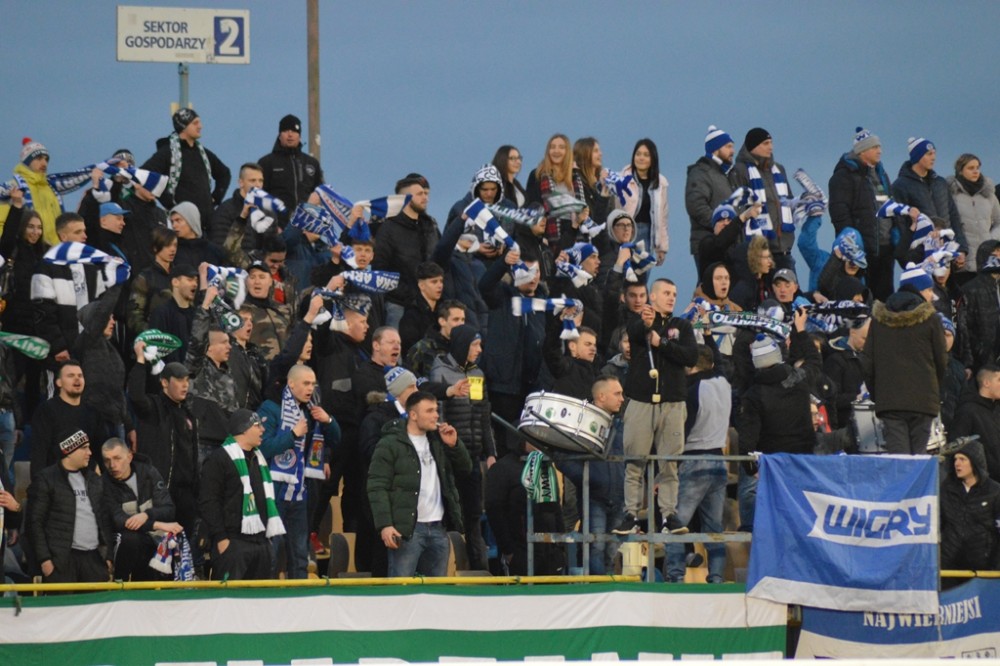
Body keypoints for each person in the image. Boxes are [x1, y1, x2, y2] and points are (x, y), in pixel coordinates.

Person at [615, 279, 698, 535]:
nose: (672, 297)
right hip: (641, 401)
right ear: (653, 296)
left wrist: (661, 343)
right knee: (634, 462)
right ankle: (630, 515)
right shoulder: (638, 321)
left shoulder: (682, 326)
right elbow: (635, 333)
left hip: (673, 402)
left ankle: (668, 516)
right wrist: (646, 324)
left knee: (670, 463)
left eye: (674, 293)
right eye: (666, 293)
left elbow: (691, 357)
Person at [367, 391, 471, 577]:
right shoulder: (390, 443)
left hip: (438, 528)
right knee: (402, 589)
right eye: (429, 411)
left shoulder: (439, 440)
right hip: (407, 530)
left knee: (436, 590)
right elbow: (377, 486)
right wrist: (385, 525)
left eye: (436, 410)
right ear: (413, 415)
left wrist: (454, 445)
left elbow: (465, 469)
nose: (436, 415)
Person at [258, 364, 339, 579]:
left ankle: (299, 595)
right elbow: (263, 447)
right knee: (272, 552)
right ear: (291, 384)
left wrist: (329, 421)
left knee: (300, 555)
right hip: (274, 491)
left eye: (313, 384)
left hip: (299, 492)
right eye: (306, 383)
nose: (311, 388)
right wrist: (292, 434)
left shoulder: (310, 410)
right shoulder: (270, 408)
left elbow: (335, 440)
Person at [429, 324, 495, 571]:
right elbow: (438, 417)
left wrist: (491, 452)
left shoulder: (477, 373)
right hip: (450, 456)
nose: (479, 349)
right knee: (451, 514)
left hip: (473, 456)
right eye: (474, 345)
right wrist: (446, 450)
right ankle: (448, 569)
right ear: (462, 345)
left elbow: (483, 415)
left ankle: (479, 570)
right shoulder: (440, 371)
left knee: (474, 515)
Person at [862, 266, 948, 454]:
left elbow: (867, 362)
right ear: (919, 291)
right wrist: (933, 389)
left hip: (889, 402)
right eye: (929, 290)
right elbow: (941, 360)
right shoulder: (931, 319)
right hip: (923, 400)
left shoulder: (879, 320)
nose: (932, 296)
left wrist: (878, 395)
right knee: (918, 460)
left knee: (899, 461)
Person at [665, 343, 730, 583]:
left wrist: (671, 461)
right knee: (714, 528)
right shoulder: (724, 383)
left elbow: (685, 428)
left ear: (689, 365)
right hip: (719, 461)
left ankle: (675, 576)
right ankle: (717, 577)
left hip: (695, 459)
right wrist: (710, 337)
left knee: (677, 523)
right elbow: (720, 365)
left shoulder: (693, 389)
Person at [200, 409, 285, 580]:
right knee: (229, 595)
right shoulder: (219, 459)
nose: (262, 429)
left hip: (261, 543)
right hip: (233, 543)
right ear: (243, 429)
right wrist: (221, 538)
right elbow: (209, 501)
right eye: (257, 425)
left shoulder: (260, 459)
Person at [557, 375, 626, 575]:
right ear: (601, 396)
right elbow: (562, 458)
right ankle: (597, 587)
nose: (622, 399)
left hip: (619, 497)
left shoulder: (620, 425)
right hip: (594, 498)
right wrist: (589, 480)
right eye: (617, 394)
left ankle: (606, 588)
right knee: (595, 548)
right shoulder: (581, 422)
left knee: (611, 550)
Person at [128, 357, 201, 543]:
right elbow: (135, 396)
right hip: (160, 493)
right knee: (157, 547)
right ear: (164, 383)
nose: (185, 385)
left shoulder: (189, 415)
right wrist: (140, 362)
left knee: (183, 547)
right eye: (179, 380)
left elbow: (193, 455)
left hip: (185, 495)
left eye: (187, 380)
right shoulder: (153, 407)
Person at [27, 430, 113, 583]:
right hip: (61, 561)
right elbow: (35, 522)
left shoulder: (94, 480)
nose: (89, 452)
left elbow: (105, 520)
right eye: (84, 448)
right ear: (68, 450)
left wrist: (108, 556)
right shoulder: (46, 479)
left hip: (94, 559)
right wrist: (45, 559)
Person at [828, 127, 900, 300]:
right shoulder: (844, 176)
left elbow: (890, 204)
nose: (879, 151)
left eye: (879, 146)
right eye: (874, 147)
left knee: (884, 298)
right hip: (861, 250)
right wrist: (852, 242)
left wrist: (895, 231)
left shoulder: (881, 174)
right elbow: (839, 213)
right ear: (862, 151)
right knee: (862, 297)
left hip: (885, 247)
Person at [102, 437, 182, 581]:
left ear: (129, 457)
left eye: (117, 458)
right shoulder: (104, 484)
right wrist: (157, 524)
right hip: (125, 544)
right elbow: (119, 520)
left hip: (153, 541)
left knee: (173, 538)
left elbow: (168, 509)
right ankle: (120, 583)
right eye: (107, 460)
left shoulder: (149, 473)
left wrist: (146, 515)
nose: (112, 465)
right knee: (131, 538)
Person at [141, 108, 231, 231]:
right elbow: (145, 174)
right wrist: (169, 202)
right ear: (183, 127)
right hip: (181, 224)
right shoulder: (168, 152)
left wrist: (215, 198)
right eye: (195, 123)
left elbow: (224, 174)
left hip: (206, 224)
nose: (200, 126)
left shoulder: (203, 153)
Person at [373, 173, 440, 328]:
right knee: (394, 343)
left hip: (430, 306)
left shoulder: (430, 226)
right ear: (406, 199)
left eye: (426, 194)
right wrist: (410, 294)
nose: (425, 198)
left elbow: (440, 262)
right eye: (420, 194)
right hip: (399, 306)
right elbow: (379, 269)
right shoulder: (388, 229)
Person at [891, 137, 967, 270]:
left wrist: (961, 247)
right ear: (917, 156)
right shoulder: (901, 185)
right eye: (928, 154)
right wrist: (908, 254)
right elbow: (900, 223)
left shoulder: (940, 183)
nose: (933, 157)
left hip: (945, 249)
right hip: (920, 253)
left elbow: (954, 216)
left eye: (934, 153)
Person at [1, 137, 91, 246]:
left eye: (46, 159)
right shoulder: (17, 186)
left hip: (55, 247)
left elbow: (77, 177)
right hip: (29, 247)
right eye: (39, 158)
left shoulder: (51, 186)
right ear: (27, 161)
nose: (44, 163)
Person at [729, 128, 795, 270]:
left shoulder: (779, 169)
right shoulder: (740, 171)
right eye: (765, 143)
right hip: (757, 250)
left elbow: (789, 201)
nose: (770, 147)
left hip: (784, 249)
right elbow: (737, 206)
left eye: (771, 142)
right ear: (753, 146)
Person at [30, 360, 102, 477]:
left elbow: (99, 451)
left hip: (87, 480)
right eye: (70, 376)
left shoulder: (92, 412)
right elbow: (39, 453)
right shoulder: (46, 410)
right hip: (56, 479)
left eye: (80, 376)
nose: (77, 379)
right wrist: (39, 484)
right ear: (59, 382)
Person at [939, 440, 1000, 572]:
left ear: (975, 462)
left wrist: (996, 566)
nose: (957, 463)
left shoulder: (995, 491)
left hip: (983, 568)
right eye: (955, 459)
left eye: (962, 459)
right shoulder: (946, 488)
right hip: (949, 566)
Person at [686, 125, 736, 274]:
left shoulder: (725, 174)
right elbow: (696, 206)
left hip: (726, 243)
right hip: (707, 244)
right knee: (709, 284)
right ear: (715, 149)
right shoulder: (700, 173)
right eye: (728, 146)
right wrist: (719, 224)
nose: (732, 151)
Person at [258, 114, 324, 225]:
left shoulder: (312, 163)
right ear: (279, 135)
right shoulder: (266, 163)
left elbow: (321, 194)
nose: (290, 135)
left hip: (306, 226)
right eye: (285, 131)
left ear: (299, 136)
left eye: (294, 131)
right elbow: (260, 196)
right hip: (278, 226)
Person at [948, 153, 1000, 276]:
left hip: (987, 260)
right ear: (960, 171)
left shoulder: (989, 195)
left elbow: (999, 221)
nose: (976, 171)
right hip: (963, 260)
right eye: (971, 168)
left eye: (977, 168)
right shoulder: (952, 195)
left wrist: (991, 240)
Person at [621, 138, 669, 266]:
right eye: (638, 154)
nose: (641, 158)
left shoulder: (660, 183)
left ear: (653, 159)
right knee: (624, 273)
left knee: (643, 274)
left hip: (648, 235)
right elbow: (616, 209)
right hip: (626, 233)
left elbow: (663, 218)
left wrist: (661, 248)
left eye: (646, 155)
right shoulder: (623, 179)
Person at [951, 365, 1000, 483]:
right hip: (981, 484)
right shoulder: (967, 410)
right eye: (999, 380)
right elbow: (957, 447)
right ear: (986, 383)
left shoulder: (996, 410)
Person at [128, 226, 178, 337]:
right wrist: (153, 335)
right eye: (168, 245)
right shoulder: (145, 278)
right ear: (156, 248)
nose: (172, 249)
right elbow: (134, 315)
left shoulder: (180, 275)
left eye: (175, 245)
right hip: (153, 340)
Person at [959, 241, 1000, 373]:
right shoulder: (970, 289)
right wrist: (973, 358)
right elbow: (964, 328)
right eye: (995, 254)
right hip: (981, 363)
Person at [148, 263, 199, 365]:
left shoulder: (196, 315)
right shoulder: (161, 314)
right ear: (175, 282)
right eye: (190, 280)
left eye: (196, 281)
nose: (195, 284)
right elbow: (156, 351)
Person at [243, 260, 292, 361]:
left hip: (285, 367)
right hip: (257, 367)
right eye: (252, 277)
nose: (257, 281)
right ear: (246, 281)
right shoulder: (240, 311)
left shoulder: (284, 309)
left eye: (262, 277)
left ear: (270, 281)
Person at [406, 299, 466, 378]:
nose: (461, 324)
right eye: (456, 319)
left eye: (463, 320)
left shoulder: (467, 348)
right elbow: (410, 379)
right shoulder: (422, 348)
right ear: (442, 321)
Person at [399, 261, 445, 355]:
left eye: (441, 281)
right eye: (434, 282)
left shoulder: (444, 309)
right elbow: (410, 350)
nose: (440, 285)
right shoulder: (411, 315)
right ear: (421, 285)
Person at [169, 201, 225, 267]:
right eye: (172, 222)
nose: (174, 225)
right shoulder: (172, 250)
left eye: (178, 220)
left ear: (191, 220)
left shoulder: (212, 251)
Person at [573, 137, 614, 226]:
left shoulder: (603, 182)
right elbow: (590, 218)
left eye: (599, 150)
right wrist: (603, 197)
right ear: (584, 154)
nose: (600, 154)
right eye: (595, 151)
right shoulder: (578, 182)